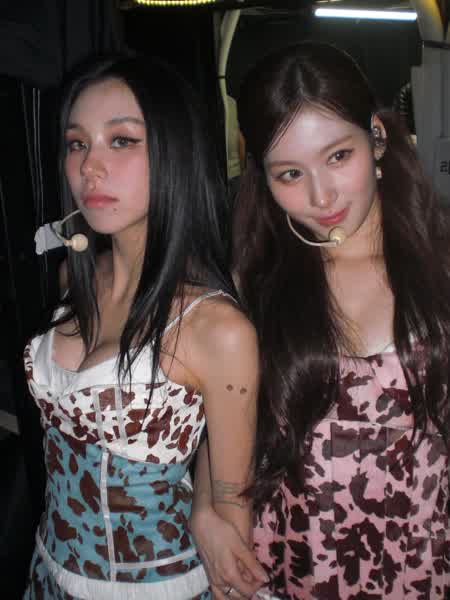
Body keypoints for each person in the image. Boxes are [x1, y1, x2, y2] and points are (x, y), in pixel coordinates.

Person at [191, 42, 450, 599]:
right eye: (290, 173)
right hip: (292, 561)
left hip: (423, 561)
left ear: (376, 136)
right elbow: (229, 414)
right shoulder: (254, 281)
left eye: (338, 156)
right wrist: (204, 508)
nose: (321, 194)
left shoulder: (442, 265)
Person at [23, 55, 259, 600]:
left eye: (122, 140)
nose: (90, 167)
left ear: (174, 152)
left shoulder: (217, 327)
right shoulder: (74, 279)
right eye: (77, 143)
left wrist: (208, 510)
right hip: (47, 569)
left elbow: (233, 515)